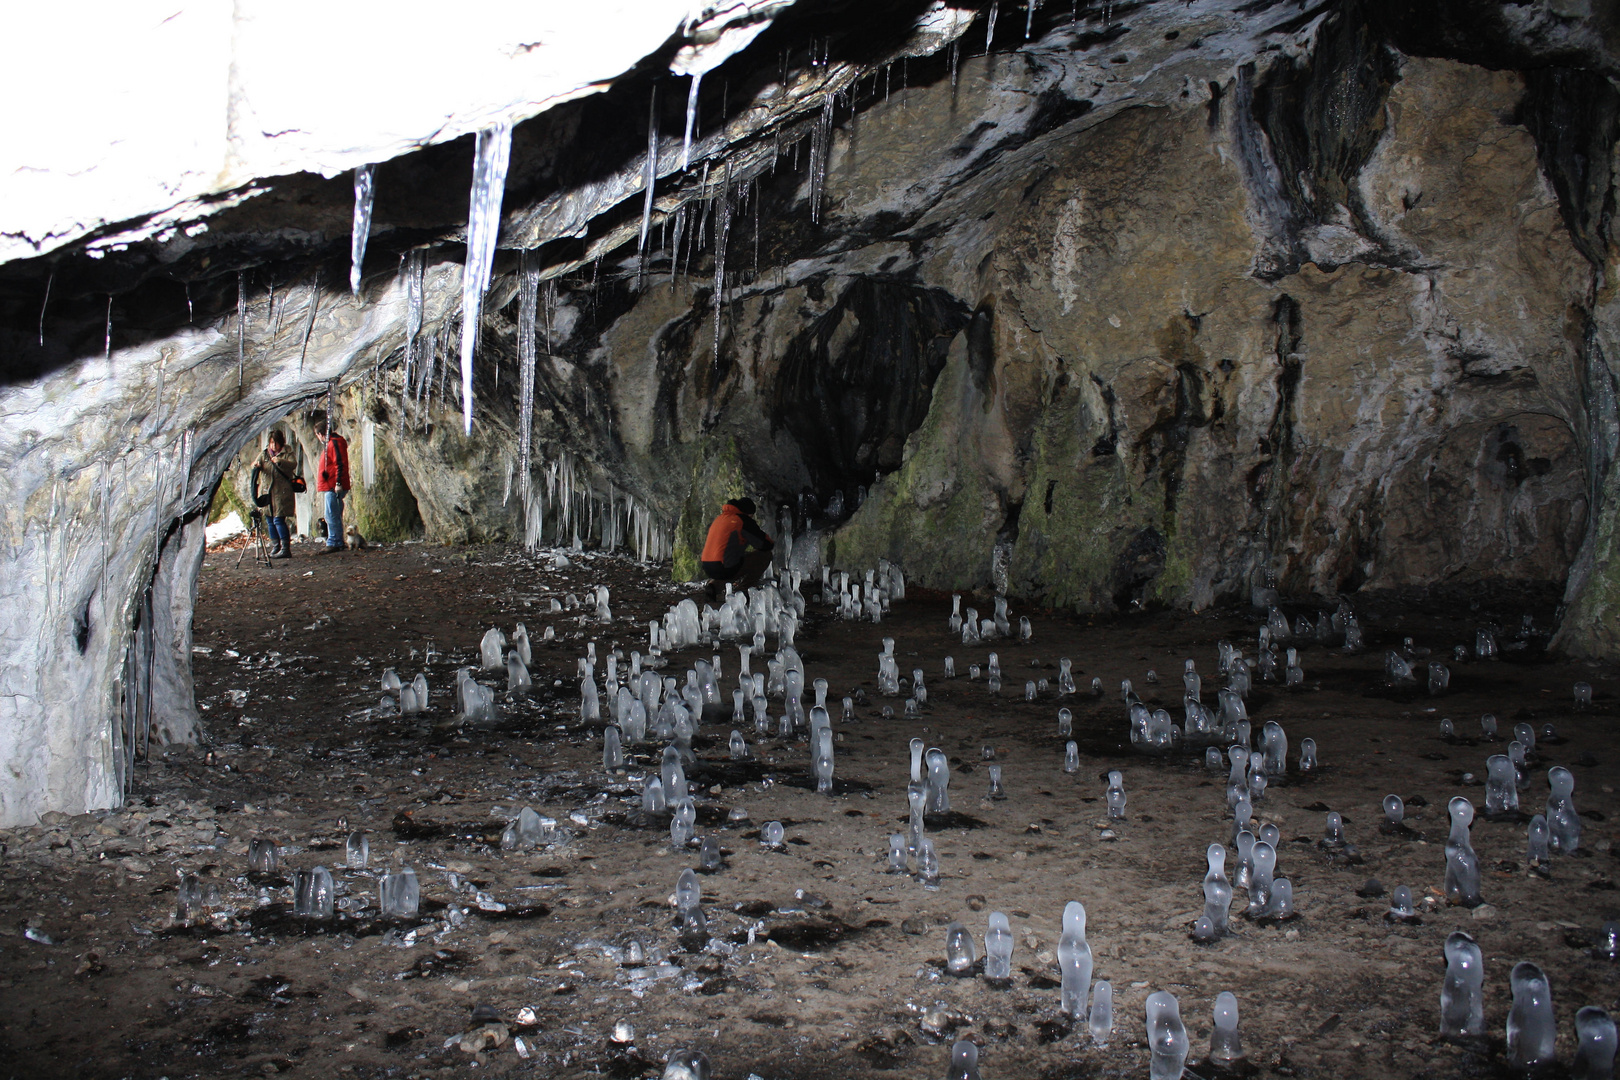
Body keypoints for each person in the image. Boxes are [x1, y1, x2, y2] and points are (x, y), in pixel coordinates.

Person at [699, 498, 774, 600]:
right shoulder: (742, 520)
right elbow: (764, 544)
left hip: (707, 565)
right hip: (724, 565)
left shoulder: (721, 518)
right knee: (764, 555)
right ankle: (745, 590)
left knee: (735, 560)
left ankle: (714, 587)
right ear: (748, 513)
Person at [253, 429, 298, 559]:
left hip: (282, 492)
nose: (273, 446)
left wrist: (280, 461)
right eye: (271, 443)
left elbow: (293, 464)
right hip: (268, 492)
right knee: (269, 519)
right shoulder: (264, 454)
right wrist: (256, 465)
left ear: (280, 442)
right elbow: (255, 464)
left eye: (275, 443)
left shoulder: (287, 452)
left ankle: (285, 548)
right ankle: (275, 546)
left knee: (279, 519)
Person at [315, 419, 350, 554]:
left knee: (331, 514)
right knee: (333, 513)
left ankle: (335, 541)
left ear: (321, 434)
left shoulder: (334, 443)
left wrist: (338, 483)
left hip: (333, 485)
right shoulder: (331, 443)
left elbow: (339, 464)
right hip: (330, 484)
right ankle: (336, 540)